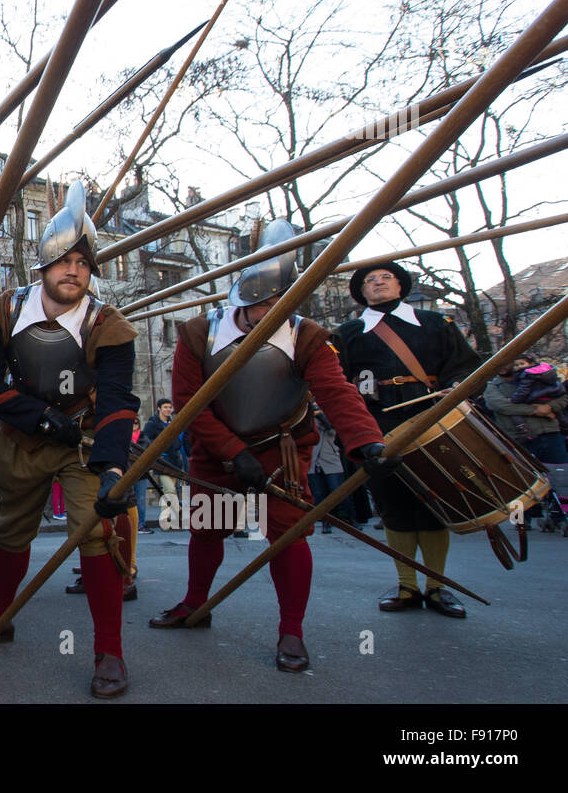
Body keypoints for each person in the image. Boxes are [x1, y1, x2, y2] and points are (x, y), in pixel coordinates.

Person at [155, 220, 392, 673]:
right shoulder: (196, 334)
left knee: (287, 536)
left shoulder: (308, 336)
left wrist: (367, 443)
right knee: (207, 530)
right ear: (243, 299)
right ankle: (194, 604)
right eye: (262, 304)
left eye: (279, 302)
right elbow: (189, 405)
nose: (271, 311)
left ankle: (292, 631)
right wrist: (232, 451)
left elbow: (336, 392)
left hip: (281, 450)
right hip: (215, 448)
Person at [0, 181, 140, 699]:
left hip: (87, 442)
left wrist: (113, 469)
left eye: (82, 260)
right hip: (23, 438)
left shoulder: (109, 324)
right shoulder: (4, 313)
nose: (72, 269)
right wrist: (40, 418)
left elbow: (120, 400)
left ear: (91, 268)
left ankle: (109, 652)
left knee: (98, 533)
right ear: (44, 265)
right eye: (63, 260)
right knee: (9, 528)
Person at [333, 260, 481, 618]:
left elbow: (466, 366)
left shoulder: (435, 323)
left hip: (432, 419)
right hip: (376, 425)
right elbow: (336, 383)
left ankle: (436, 587)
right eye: (371, 280)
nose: (379, 283)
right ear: (361, 292)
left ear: (401, 286)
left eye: (386, 278)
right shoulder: (347, 334)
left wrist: (460, 387)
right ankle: (407, 586)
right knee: (394, 506)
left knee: (433, 506)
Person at [484, 354, 568, 464]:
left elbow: (562, 396)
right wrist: (537, 410)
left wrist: (549, 407)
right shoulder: (493, 386)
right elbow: (503, 406)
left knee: (562, 472)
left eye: (506, 363)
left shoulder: (537, 378)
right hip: (521, 440)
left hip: (550, 433)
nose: (502, 367)